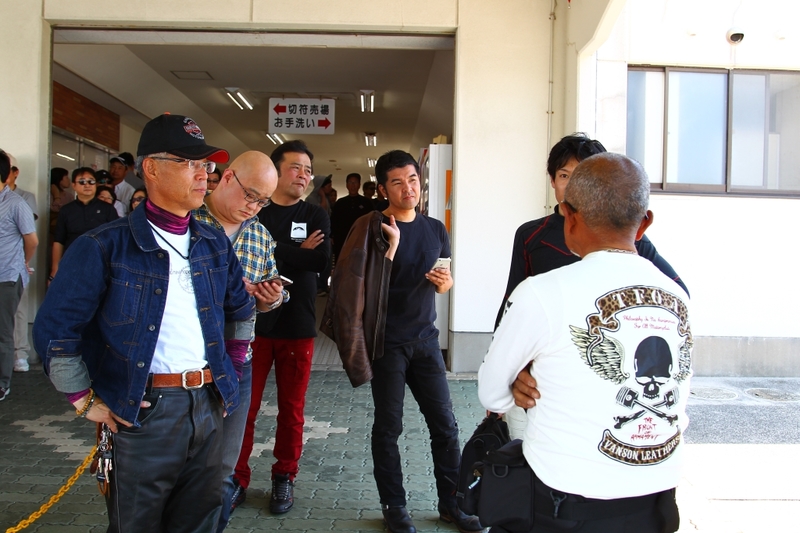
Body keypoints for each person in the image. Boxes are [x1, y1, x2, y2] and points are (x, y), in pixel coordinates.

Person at [33, 113, 262, 532]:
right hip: (144, 410)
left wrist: (230, 368)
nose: (203, 175)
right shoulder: (104, 245)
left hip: (209, 403)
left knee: (201, 521)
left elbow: (241, 310)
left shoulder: (212, 243)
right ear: (151, 169)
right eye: (189, 163)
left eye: (205, 165)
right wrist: (83, 399)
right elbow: (55, 330)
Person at [479, 153, 692, 533]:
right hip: (657, 496)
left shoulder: (542, 292)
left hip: (565, 498)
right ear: (644, 223)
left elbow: (492, 394)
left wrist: (522, 378)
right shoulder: (677, 296)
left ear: (569, 216)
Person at [322, 150, 482, 533]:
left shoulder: (435, 229)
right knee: (388, 428)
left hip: (426, 341)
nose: (407, 188)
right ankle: (394, 506)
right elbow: (359, 286)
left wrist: (446, 283)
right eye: (397, 182)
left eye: (412, 179)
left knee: (446, 426)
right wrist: (390, 249)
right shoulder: (370, 227)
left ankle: (452, 504)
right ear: (383, 189)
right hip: (387, 344)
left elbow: (442, 276)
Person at [495, 134, 689, 440]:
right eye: (564, 176)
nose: (573, 186)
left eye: (584, 176)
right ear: (552, 180)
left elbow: (676, 293)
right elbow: (510, 304)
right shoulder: (532, 235)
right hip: (539, 378)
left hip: (596, 378)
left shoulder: (627, 236)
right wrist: (508, 371)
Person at [233, 140, 330, 515]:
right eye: (296, 167)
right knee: (244, 408)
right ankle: (236, 478)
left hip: (298, 324)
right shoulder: (256, 210)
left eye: (308, 169)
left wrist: (273, 249)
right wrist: (296, 252)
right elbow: (243, 256)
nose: (304, 175)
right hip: (252, 324)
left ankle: (284, 477)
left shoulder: (316, 213)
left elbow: (321, 262)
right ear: (275, 171)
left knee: (292, 410)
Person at [191, 150, 284, 532]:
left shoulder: (260, 234)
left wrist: (271, 297)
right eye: (250, 195)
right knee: (180, 463)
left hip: (237, 360)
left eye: (263, 201)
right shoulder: (189, 219)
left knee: (223, 467)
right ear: (227, 177)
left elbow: (272, 286)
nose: (254, 207)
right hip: (187, 362)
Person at [0, 150, 38, 400]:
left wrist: (22, 262)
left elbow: (32, 240)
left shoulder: (16, 204)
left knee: (3, 332)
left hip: (6, 276)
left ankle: (2, 383)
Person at [49, 168, 118, 281]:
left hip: (101, 264)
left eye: (91, 181)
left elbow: (116, 239)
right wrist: (55, 269)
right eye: (82, 182)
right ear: (74, 185)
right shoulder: (66, 210)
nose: (87, 185)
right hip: (72, 262)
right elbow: (59, 241)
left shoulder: (108, 209)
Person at [330, 172, 373, 259]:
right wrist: (331, 235)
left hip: (361, 238)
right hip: (342, 239)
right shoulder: (340, 203)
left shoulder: (367, 203)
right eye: (350, 182)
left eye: (355, 182)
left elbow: (372, 220)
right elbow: (333, 221)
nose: (353, 185)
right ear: (347, 185)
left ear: (359, 185)